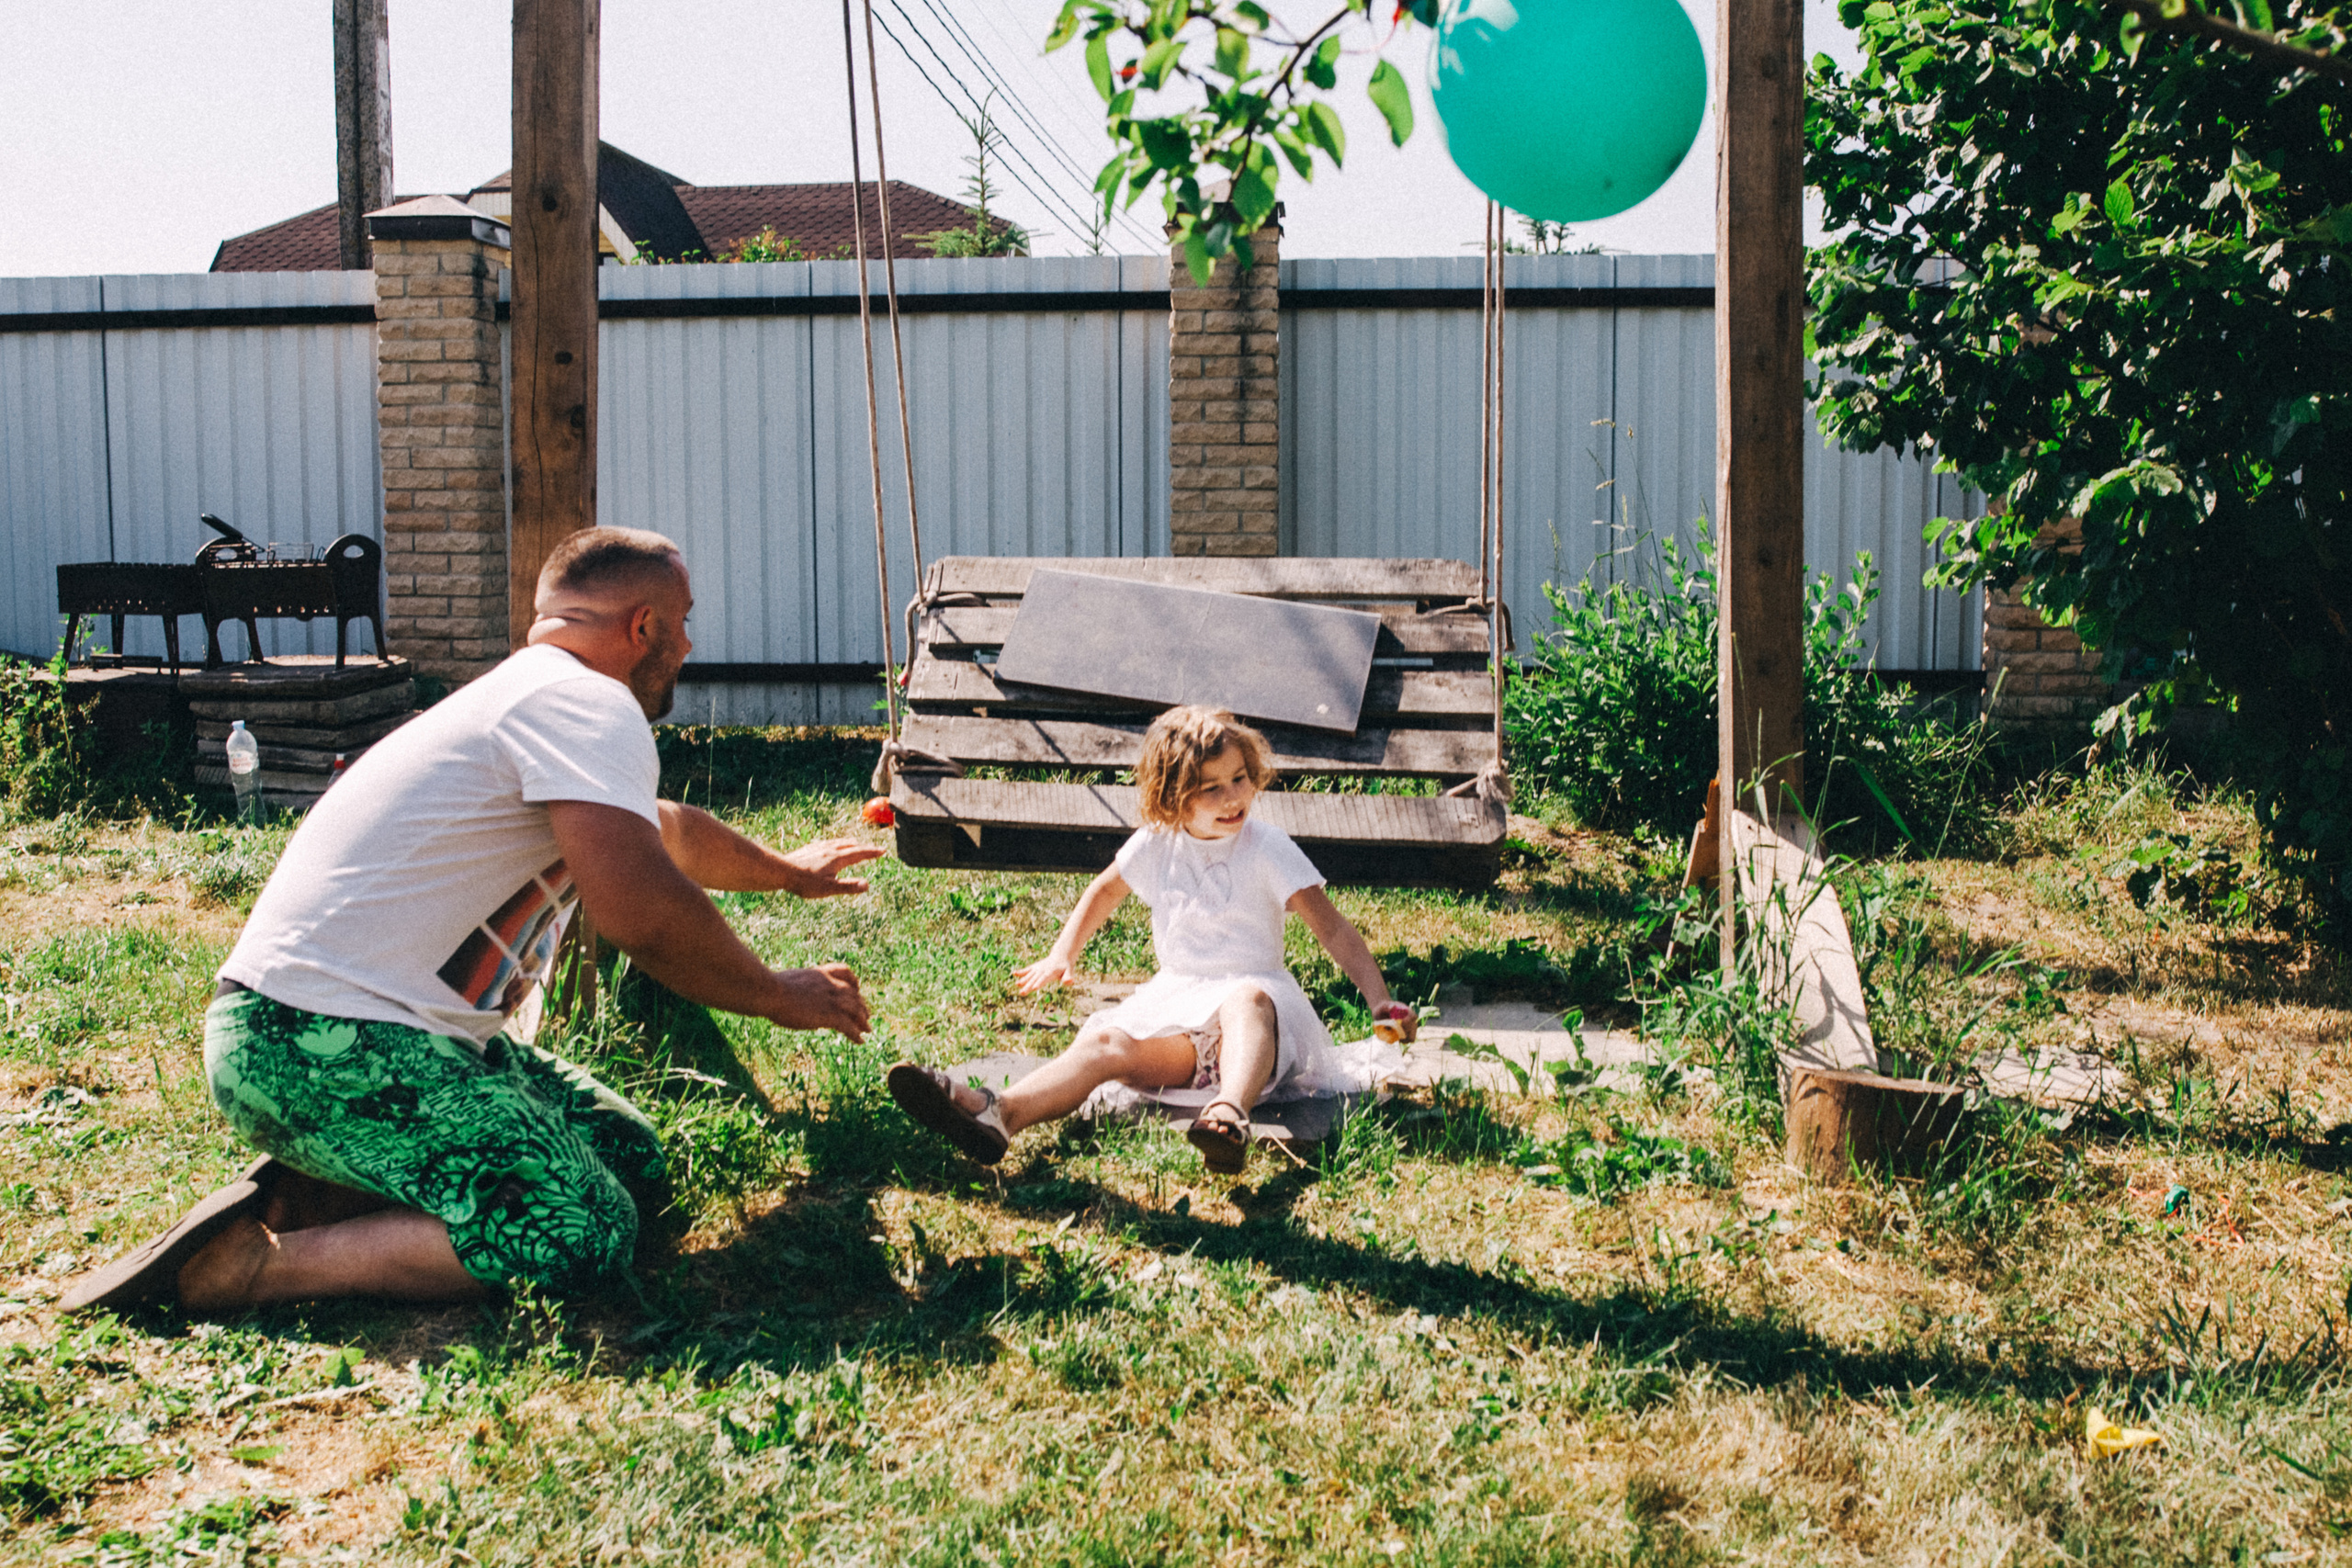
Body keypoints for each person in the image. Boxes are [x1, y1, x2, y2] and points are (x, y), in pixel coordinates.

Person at [63, 526, 879, 1316]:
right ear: (643, 626)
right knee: (581, 1227)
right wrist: (777, 993)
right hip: (308, 1039)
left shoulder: (533, 698)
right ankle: (256, 1265)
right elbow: (644, 913)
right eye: (684, 621)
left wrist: (787, 873)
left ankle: (321, 1185)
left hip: (349, 1033)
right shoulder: (586, 703)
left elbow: (667, 831)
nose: (690, 644)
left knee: (630, 1158)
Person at [886, 705, 1415, 1175]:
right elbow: (1105, 889)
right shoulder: (1158, 844)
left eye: (1240, 778)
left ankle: (1229, 1113)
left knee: (1245, 1000)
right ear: (1173, 798)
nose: (1234, 798)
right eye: (1212, 788)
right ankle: (997, 1114)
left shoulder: (1267, 847)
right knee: (1105, 1044)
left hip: (1259, 1025)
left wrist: (1381, 1003)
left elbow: (1334, 929)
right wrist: (1062, 952)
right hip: (1184, 1020)